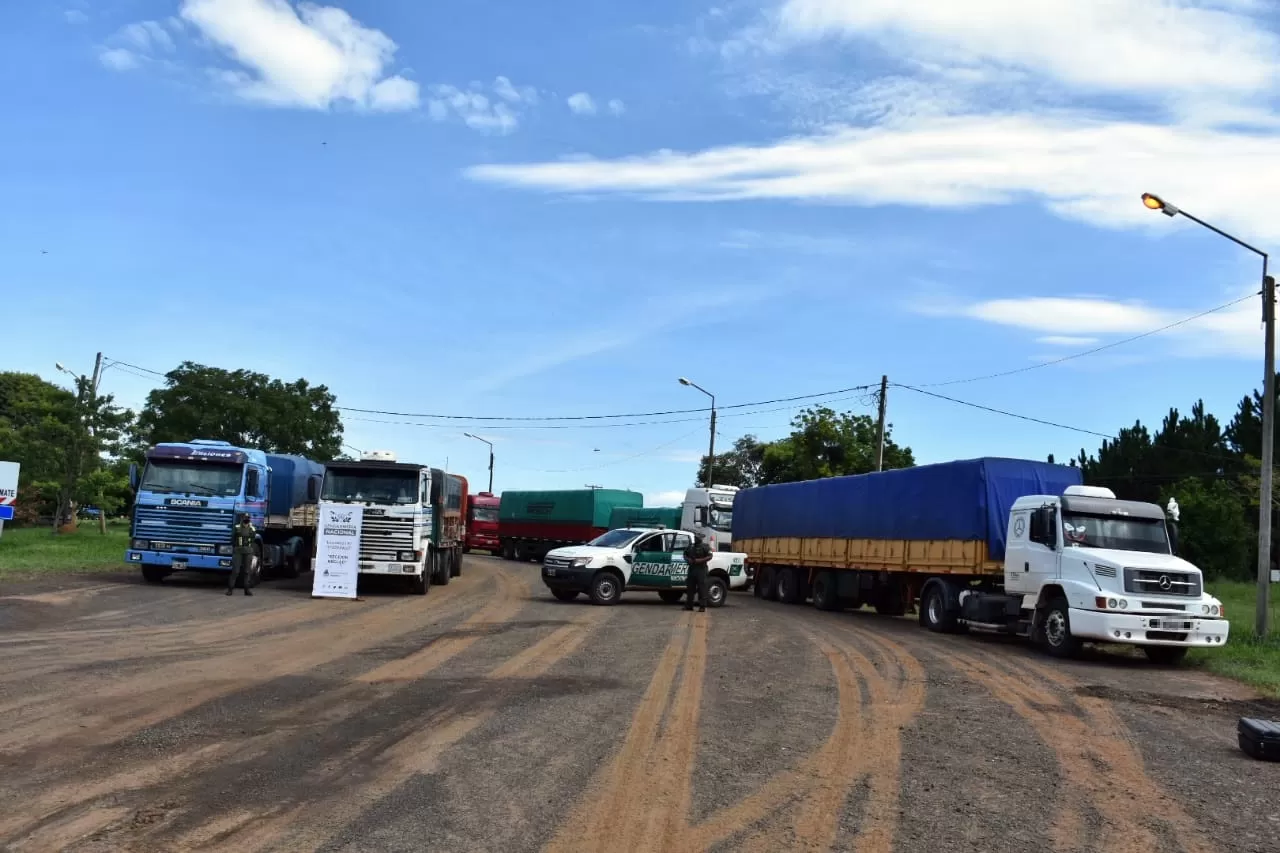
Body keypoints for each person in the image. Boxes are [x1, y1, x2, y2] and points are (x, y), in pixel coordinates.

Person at [682, 532, 713, 612]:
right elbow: (685, 554)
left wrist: (700, 560)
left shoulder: (705, 547)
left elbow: (710, 556)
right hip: (692, 569)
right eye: (695, 537)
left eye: (697, 538)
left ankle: (702, 606)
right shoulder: (691, 546)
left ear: (700, 539)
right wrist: (687, 559)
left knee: (702, 589)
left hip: (701, 570)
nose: (695, 539)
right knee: (690, 588)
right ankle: (689, 605)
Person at [227, 513, 255, 596]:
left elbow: (253, 540)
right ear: (242, 519)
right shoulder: (237, 528)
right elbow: (232, 538)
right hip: (238, 551)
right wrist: (235, 547)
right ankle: (230, 589)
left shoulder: (252, 529)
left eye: (248, 518)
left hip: (248, 552)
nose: (246, 519)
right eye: (245, 518)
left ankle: (247, 590)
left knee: (247, 571)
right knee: (235, 571)